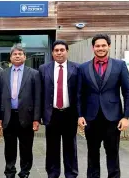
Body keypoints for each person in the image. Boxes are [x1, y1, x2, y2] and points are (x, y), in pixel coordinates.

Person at [77, 34, 129, 178]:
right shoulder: (83, 68)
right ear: (93, 48)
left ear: (109, 46)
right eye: (97, 46)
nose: (100, 48)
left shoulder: (120, 65)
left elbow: (127, 92)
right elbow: (79, 94)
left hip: (113, 118)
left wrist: (126, 116)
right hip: (91, 118)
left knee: (113, 154)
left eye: (103, 45)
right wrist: (80, 115)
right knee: (92, 154)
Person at [0, 44, 41, 178]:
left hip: (27, 117)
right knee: (9, 147)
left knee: (26, 148)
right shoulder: (2, 74)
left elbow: (38, 97)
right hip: (8, 116)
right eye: (14, 54)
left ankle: (25, 172)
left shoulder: (34, 74)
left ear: (25, 57)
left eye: (20, 54)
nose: (17, 56)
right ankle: (10, 172)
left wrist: (36, 119)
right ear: (10, 57)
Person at [39, 40, 79, 178]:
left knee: (70, 147)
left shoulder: (76, 68)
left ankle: (71, 174)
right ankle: (52, 174)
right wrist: (39, 116)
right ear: (52, 53)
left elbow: (79, 93)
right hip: (52, 114)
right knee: (52, 148)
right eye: (56, 50)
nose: (59, 52)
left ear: (67, 51)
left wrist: (80, 115)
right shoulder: (44, 69)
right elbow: (40, 94)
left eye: (62, 50)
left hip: (70, 114)